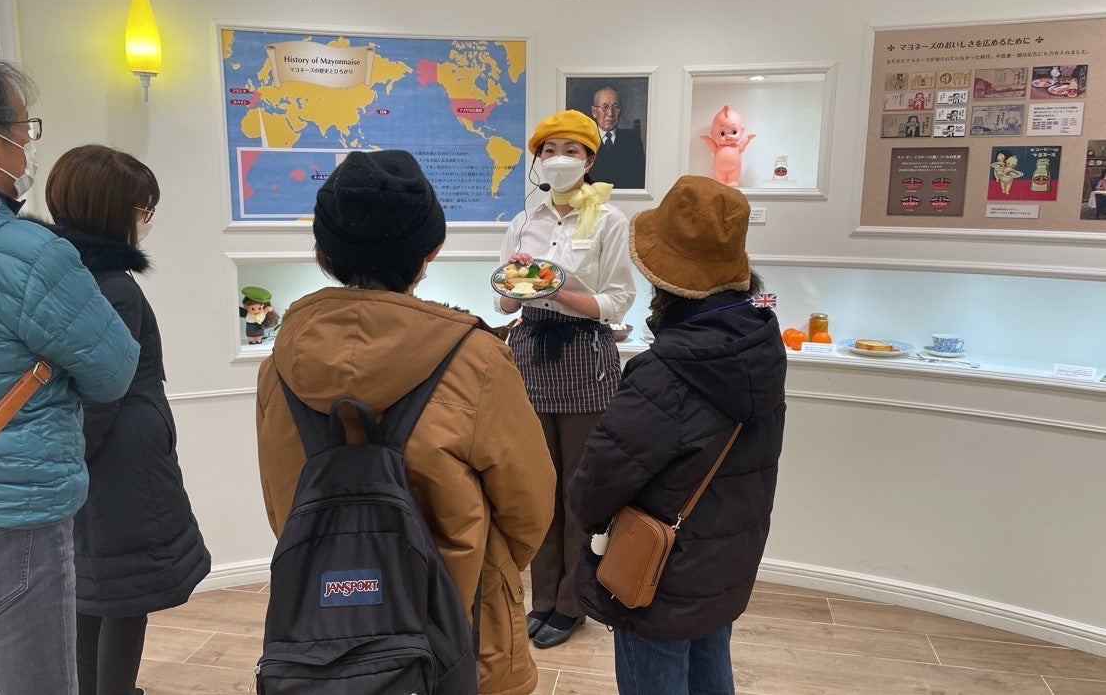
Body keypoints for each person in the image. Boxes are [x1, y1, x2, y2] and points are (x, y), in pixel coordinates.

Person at [256, 149, 554, 695]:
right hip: (461, 625)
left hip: (321, 633)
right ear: (430, 250)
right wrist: (483, 563)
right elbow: (529, 506)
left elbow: (284, 501)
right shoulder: (476, 359)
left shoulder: (280, 363)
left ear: (325, 253)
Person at [569, 175, 786, 695]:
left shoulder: (666, 369)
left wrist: (585, 513)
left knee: (656, 667)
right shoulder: (760, 343)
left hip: (661, 567)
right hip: (728, 552)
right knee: (711, 658)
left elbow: (600, 479)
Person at [0, 59, 139, 694]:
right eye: (25, 131)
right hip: (12, 510)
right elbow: (113, 370)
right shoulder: (27, 253)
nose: (29, 145)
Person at [42, 144, 211, 695]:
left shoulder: (68, 275)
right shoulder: (113, 286)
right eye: (142, 207)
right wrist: (76, 459)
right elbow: (103, 393)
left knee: (94, 592)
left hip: (99, 462)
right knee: (124, 598)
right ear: (111, 209)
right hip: (122, 467)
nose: (147, 219)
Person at [496, 109, 635, 648]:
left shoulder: (610, 220)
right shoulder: (523, 221)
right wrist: (519, 281)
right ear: (537, 160)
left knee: (580, 487)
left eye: (571, 151)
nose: (559, 160)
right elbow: (504, 301)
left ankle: (572, 604)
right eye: (549, 151)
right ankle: (544, 599)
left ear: (589, 160)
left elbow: (618, 301)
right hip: (531, 351)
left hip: (585, 354)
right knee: (538, 485)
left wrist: (558, 289)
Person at [586, 86, 646, 189]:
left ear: (620, 111)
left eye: (616, 107)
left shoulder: (633, 140)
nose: (610, 114)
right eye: (605, 107)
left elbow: (640, 179)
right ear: (594, 112)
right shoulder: (585, 141)